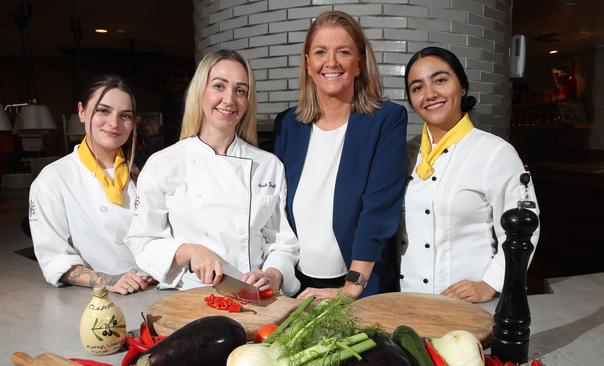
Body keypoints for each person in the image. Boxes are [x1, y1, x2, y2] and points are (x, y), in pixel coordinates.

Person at [125, 50, 300, 295]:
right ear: (201, 93)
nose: (229, 99)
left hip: (256, 298)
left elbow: (282, 242)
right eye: (219, 86)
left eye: (240, 90)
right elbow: (142, 241)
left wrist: (272, 274)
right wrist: (189, 251)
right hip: (191, 297)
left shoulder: (268, 165)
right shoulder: (163, 164)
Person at [274, 11, 407, 300]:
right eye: (320, 52)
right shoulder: (288, 125)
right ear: (308, 64)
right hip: (296, 283)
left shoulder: (386, 120)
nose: (331, 62)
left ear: (359, 62)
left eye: (343, 52)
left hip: (358, 284)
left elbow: (379, 209)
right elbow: (276, 206)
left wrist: (352, 287)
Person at [400, 46, 540, 302]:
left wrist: (490, 283)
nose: (429, 94)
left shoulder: (495, 152)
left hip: (469, 304)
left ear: (462, 86)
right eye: (417, 87)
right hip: (410, 300)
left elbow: (526, 227)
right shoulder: (406, 154)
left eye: (440, 80)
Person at [29, 74, 154, 295]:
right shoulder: (53, 179)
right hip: (98, 302)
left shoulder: (146, 171)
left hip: (157, 289)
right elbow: (55, 259)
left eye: (124, 115)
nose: (114, 123)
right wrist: (109, 280)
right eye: (103, 111)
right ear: (81, 112)